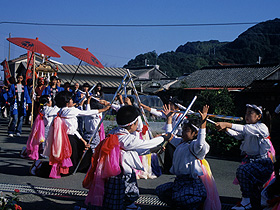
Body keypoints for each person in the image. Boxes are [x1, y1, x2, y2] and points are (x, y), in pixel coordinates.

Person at [83, 105, 172, 210]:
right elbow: (146, 144)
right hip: (119, 172)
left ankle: (127, 205)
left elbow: (134, 150)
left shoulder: (114, 132)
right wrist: (163, 137)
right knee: (119, 196)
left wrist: (153, 150)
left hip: (112, 170)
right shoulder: (126, 138)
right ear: (132, 125)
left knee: (115, 194)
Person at [30, 91, 110, 178]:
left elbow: (73, 129)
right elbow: (86, 113)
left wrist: (82, 140)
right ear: (67, 102)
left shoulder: (62, 111)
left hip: (69, 138)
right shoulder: (71, 111)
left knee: (85, 152)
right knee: (73, 161)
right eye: (71, 99)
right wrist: (104, 109)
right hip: (69, 140)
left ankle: (83, 167)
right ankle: (40, 165)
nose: (72, 100)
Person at [156, 105, 221, 210]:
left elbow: (201, 142)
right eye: (183, 129)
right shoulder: (181, 143)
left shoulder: (195, 147)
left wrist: (203, 123)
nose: (182, 132)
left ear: (195, 133)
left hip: (192, 182)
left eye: (186, 130)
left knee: (183, 198)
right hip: (179, 181)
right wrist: (169, 119)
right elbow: (169, 136)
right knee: (161, 191)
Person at [215, 104, 274, 210]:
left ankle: (247, 201)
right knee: (251, 185)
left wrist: (227, 124)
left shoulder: (262, 127)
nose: (246, 115)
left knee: (242, 170)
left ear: (258, 116)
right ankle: (250, 201)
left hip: (262, 163)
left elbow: (244, 129)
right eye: (246, 113)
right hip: (252, 161)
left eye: (250, 113)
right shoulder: (249, 128)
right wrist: (226, 130)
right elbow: (238, 135)